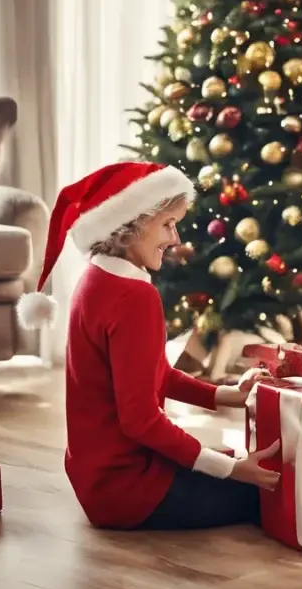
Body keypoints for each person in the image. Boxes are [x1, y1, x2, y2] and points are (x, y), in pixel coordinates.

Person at [16, 161, 280, 531]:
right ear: (133, 224)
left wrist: (227, 395)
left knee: (229, 463)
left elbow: (154, 374)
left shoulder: (95, 277)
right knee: (267, 488)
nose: (176, 239)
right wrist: (233, 469)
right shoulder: (134, 297)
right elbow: (140, 420)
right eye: (168, 224)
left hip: (98, 479)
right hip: (131, 489)